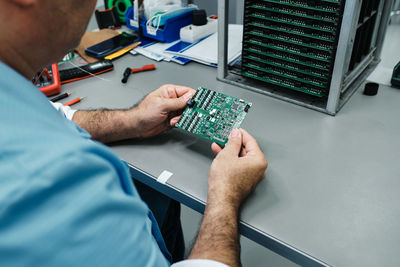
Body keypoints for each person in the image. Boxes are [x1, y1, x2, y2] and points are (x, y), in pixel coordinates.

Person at [0, 1, 268, 267]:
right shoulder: (62, 182)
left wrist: (134, 120)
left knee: (159, 195)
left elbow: (61, 117)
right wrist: (225, 196)